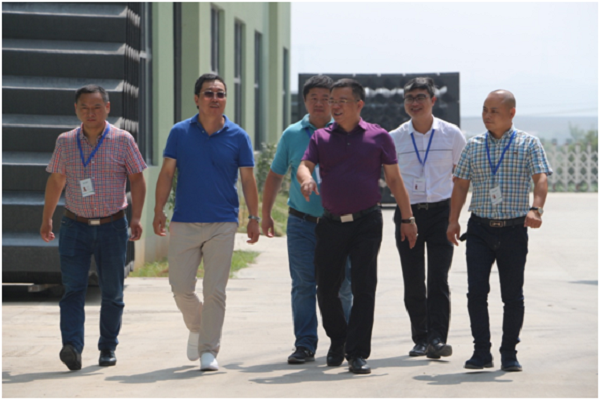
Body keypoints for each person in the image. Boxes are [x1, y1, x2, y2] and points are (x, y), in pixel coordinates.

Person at [297, 78, 418, 374]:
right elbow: (304, 165)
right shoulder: (321, 137)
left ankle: (357, 353)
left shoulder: (379, 137)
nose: (334, 106)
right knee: (326, 288)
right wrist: (306, 179)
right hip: (331, 223)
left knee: (364, 287)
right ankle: (339, 339)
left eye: (342, 101)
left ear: (359, 104)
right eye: (332, 101)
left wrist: (408, 218)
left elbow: (394, 180)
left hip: (367, 222)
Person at [153, 73, 260, 372]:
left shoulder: (239, 136)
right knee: (180, 288)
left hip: (222, 222)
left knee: (215, 290)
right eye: (209, 93)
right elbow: (166, 173)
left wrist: (254, 217)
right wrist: (158, 210)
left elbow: (248, 180)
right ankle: (198, 327)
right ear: (196, 99)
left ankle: (209, 350)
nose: (215, 98)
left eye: (220, 93)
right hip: (184, 220)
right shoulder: (180, 132)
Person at [40, 84, 147, 371]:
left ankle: (108, 346)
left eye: (97, 107)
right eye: (84, 107)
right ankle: (72, 347)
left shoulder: (123, 140)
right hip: (75, 226)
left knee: (112, 292)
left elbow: (137, 179)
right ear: (76, 109)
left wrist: (136, 218)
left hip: (113, 227)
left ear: (107, 108)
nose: (91, 113)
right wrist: (47, 217)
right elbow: (56, 180)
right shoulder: (65, 141)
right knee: (73, 289)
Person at [447, 89, 552, 372]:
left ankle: (509, 353)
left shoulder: (528, 143)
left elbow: (540, 178)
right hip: (479, 230)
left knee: (512, 296)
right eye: (484, 110)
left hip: (513, 230)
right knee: (476, 293)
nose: (487, 116)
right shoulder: (473, 145)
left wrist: (536, 209)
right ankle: (481, 352)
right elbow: (461, 185)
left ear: (511, 113)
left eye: (494, 110)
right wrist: (453, 220)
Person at [261, 75, 353, 365]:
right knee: (303, 284)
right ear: (304, 101)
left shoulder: (345, 131)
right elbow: (275, 175)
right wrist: (265, 214)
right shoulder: (292, 134)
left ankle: (345, 342)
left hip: (340, 224)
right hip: (302, 223)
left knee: (343, 285)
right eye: (314, 97)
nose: (320, 103)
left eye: (326, 98)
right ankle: (304, 343)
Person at [389, 77, 466, 359]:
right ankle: (420, 338)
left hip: (441, 213)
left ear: (433, 100)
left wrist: (454, 218)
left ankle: (437, 339)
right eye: (409, 98)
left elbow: (462, 178)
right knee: (413, 279)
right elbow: (391, 179)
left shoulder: (451, 134)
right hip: (408, 214)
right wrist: (406, 218)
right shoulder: (395, 137)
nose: (415, 103)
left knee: (438, 279)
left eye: (420, 97)